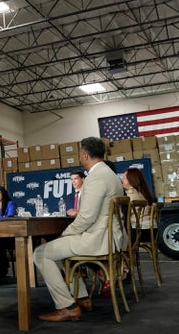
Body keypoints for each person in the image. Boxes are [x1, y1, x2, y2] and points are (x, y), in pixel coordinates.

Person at [33, 137, 125, 322]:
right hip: (109, 237)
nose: (79, 157)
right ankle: (82, 298)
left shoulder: (95, 177)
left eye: (79, 154)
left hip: (97, 240)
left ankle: (67, 307)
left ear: (85, 155)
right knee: (60, 251)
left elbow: (86, 217)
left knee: (40, 253)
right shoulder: (110, 175)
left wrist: (65, 234)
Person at [122, 167, 154, 241]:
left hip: (139, 231)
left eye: (124, 178)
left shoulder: (130, 195)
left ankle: (127, 252)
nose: (122, 180)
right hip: (151, 229)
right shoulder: (143, 192)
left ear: (131, 180)